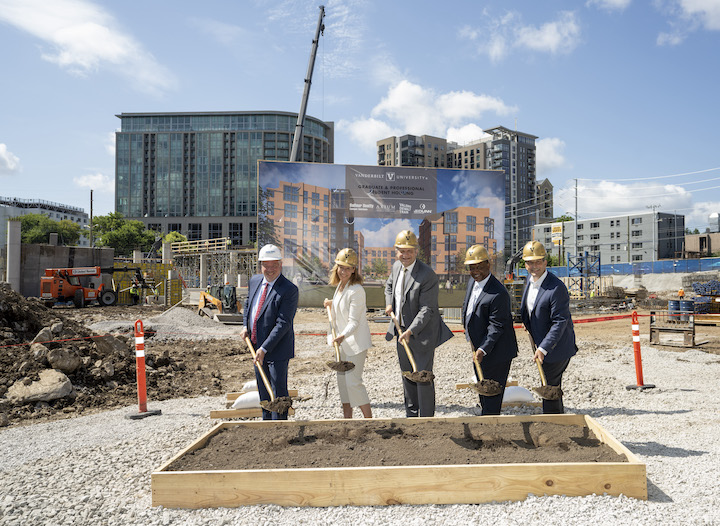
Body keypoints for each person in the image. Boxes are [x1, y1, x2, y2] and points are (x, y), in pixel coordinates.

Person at [384, 229, 453, 417]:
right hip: (400, 332)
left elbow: (428, 309)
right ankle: (412, 415)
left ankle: (427, 419)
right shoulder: (396, 267)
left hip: (421, 334)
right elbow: (389, 286)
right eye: (401, 251)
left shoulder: (427, 275)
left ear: (416, 251)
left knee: (422, 376)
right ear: (395, 250)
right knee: (407, 374)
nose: (405, 255)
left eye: (410, 251)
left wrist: (411, 330)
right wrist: (389, 302)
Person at [240, 244, 299, 420]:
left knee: (278, 394)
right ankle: (267, 427)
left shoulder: (289, 290)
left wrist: (264, 348)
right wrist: (245, 326)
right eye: (266, 265)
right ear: (260, 265)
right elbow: (248, 305)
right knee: (264, 394)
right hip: (256, 347)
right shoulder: (255, 281)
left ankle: (280, 430)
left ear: (281, 265)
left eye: (274, 265)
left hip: (277, 350)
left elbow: (283, 323)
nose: (270, 269)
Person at [520, 240, 577, 414]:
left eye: (538, 262)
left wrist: (544, 348)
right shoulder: (528, 282)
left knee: (549, 387)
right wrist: (529, 322)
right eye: (530, 262)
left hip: (556, 347)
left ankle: (553, 426)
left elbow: (560, 321)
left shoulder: (556, 287)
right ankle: (556, 423)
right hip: (541, 344)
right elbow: (531, 307)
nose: (534, 266)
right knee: (550, 387)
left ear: (545, 262)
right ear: (525, 264)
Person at [462, 245, 518, 415]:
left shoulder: (498, 293)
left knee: (492, 393)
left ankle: (492, 428)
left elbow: (497, 326)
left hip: (496, 352)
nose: (475, 271)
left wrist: (483, 349)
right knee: (483, 389)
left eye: (479, 266)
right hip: (479, 348)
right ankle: (486, 419)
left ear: (488, 264)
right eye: (472, 267)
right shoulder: (473, 282)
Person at [323, 248, 373, 419]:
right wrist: (332, 303)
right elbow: (341, 307)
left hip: (355, 344)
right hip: (342, 344)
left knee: (353, 383)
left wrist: (342, 335)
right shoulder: (341, 286)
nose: (343, 271)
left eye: (347, 268)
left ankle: (369, 421)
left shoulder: (357, 290)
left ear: (354, 269)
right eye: (340, 267)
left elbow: (354, 321)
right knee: (343, 384)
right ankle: (347, 421)